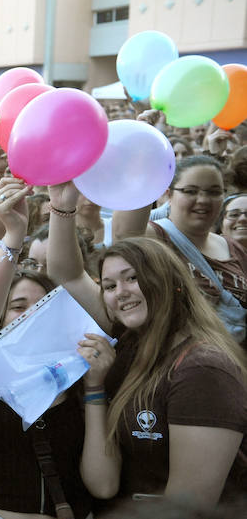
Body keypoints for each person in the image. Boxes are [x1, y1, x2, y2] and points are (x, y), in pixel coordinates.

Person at [48, 180, 247, 508]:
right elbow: (66, 274)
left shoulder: (203, 369)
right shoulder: (128, 341)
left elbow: (187, 509)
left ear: (169, 281)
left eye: (132, 277)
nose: (120, 292)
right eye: (109, 285)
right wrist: (61, 204)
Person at [0, 176, 95, 519]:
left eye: (41, 306)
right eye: (17, 307)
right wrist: (13, 235)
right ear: (0, 319)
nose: (30, 314)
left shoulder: (83, 379)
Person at [113, 155, 247, 343]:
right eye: (191, 191)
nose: (203, 200)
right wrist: (144, 167)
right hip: (182, 363)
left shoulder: (234, 248)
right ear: (168, 194)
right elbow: (124, 234)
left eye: (214, 192)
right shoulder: (156, 236)